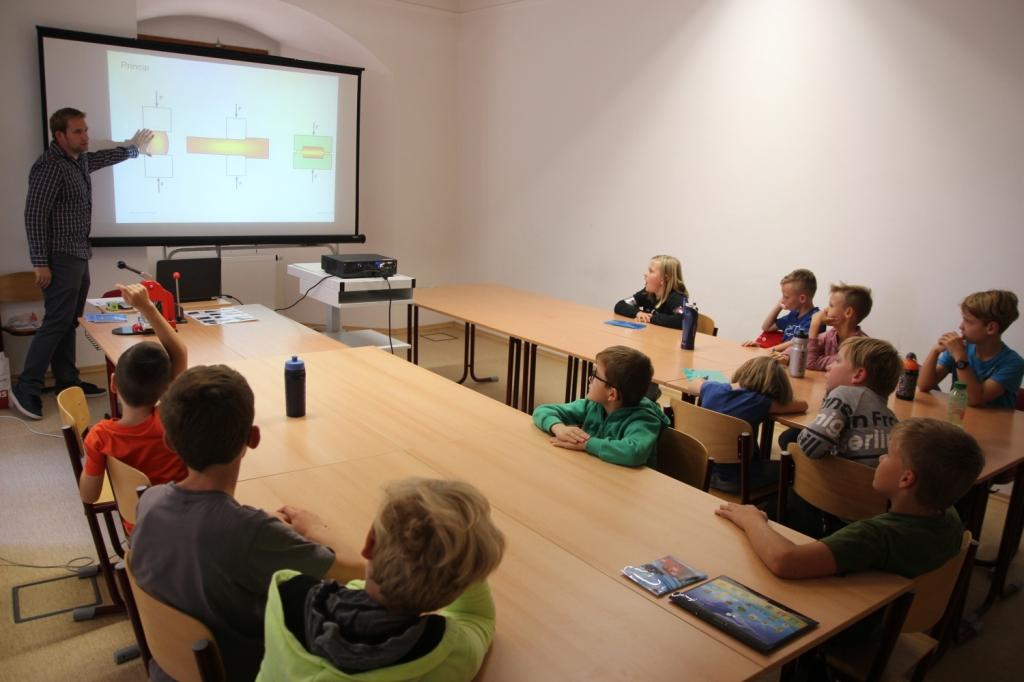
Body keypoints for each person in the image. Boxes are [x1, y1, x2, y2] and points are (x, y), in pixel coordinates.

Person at [130, 365, 363, 682]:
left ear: (168, 441)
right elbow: (358, 571)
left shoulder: (150, 501)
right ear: (253, 438)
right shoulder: (250, 534)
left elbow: (211, 533)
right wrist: (316, 530)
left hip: (169, 669)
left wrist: (260, 526)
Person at [257, 478, 506, 682]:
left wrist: (315, 532)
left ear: (369, 543)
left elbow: (354, 587)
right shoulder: (447, 655)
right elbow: (477, 616)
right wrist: (462, 556)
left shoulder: (286, 596)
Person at [716, 417, 983, 599]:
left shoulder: (873, 536)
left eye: (889, 455)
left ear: (906, 479)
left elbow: (785, 561)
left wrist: (752, 519)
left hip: (855, 625)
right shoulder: (949, 516)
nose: (881, 457)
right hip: (896, 615)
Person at [10, 108, 153, 420]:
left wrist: (132, 150)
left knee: (69, 321)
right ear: (60, 135)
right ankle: (26, 387)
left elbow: (102, 158)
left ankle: (67, 381)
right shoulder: (49, 166)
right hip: (59, 257)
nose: (85, 136)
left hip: (78, 253)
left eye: (85, 130)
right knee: (56, 321)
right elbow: (34, 216)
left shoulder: (78, 160)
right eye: (78, 131)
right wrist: (40, 262)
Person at [78, 283, 188, 531]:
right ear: (166, 387)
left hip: (140, 533)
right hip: (187, 524)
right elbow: (179, 353)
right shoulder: (175, 419)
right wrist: (147, 307)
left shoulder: (100, 437)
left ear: (113, 383)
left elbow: (89, 495)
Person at [532, 345, 669, 467]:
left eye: (595, 375)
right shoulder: (593, 406)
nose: (590, 379)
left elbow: (634, 453)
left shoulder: (644, 420)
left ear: (612, 394)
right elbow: (543, 410)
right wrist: (558, 428)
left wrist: (586, 444)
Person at [687, 356, 808, 493]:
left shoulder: (712, 388)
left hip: (704, 472)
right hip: (740, 480)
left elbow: (693, 383)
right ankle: (777, 504)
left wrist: (705, 381)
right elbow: (803, 405)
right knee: (793, 468)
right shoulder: (761, 402)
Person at [793, 337, 901, 468]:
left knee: (789, 440)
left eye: (837, 360)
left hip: (835, 481)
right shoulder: (893, 421)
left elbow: (809, 446)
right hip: (867, 481)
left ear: (858, 375)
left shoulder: (843, 394)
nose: (828, 366)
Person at [918, 290, 1023, 409]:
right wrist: (935, 351)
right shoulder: (962, 347)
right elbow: (924, 385)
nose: (961, 326)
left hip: (993, 421)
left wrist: (960, 357)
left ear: (991, 328)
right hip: (958, 417)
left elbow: (973, 399)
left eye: (967, 321)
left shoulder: (1013, 363)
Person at [776, 282, 871, 370]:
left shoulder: (857, 349)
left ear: (848, 312)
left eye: (831, 305)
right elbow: (803, 346)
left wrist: (814, 325)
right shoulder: (831, 334)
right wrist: (786, 356)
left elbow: (810, 364)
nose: (825, 310)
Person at [742, 269, 820, 352]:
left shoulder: (816, 318)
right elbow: (767, 327)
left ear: (802, 298)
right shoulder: (793, 315)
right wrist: (778, 306)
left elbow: (797, 342)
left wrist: (766, 351)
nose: (782, 300)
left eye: (786, 297)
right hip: (779, 355)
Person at [614, 255, 689, 329]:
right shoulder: (646, 294)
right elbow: (620, 305)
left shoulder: (676, 298)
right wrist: (638, 313)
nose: (645, 274)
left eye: (651, 271)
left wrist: (651, 318)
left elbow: (683, 319)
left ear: (665, 279)